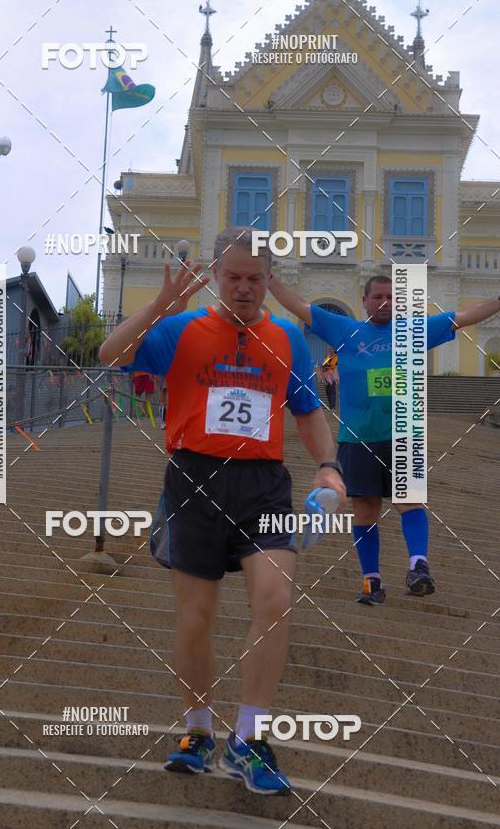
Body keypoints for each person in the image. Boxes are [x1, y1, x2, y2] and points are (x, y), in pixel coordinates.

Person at [99, 227, 345, 795]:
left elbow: (307, 411)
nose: (242, 289)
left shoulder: (286, 340)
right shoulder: (183, 330)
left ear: (268, 282)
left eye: (254, 280)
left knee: (276, 598)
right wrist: (162, 305)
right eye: (232, 278)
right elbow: (111, 355)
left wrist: (330, 467)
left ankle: (249, 739)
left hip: (263, 485)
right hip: (194, 479)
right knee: (196, 617)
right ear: (215, 277)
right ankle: (197, 731)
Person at [269, 273, 500, 605]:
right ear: (364, 301)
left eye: (391, 297)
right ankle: (371, 582)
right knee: (365, 509)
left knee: (409, 502)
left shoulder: (413, 331)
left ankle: (418, 565)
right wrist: (269, 277)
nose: (385, 302)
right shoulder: (344, 329)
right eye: (377, 297)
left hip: (404, 435)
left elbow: (462, 318)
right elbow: (300, 306)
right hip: (358, 438)